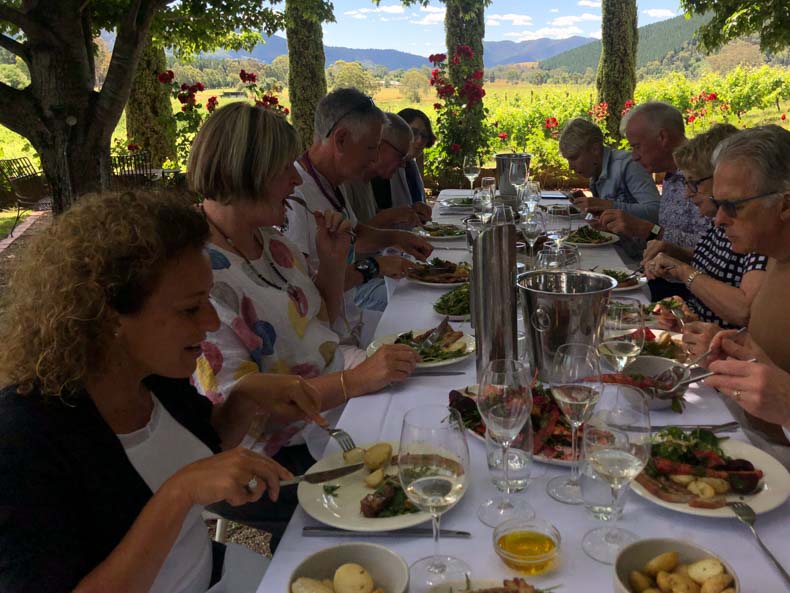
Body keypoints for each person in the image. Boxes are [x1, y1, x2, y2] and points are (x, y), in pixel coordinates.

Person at [0, 190, 325, 593]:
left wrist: (245, 397)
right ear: (108, 316)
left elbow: (200, 447)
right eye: (190, 309)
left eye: (207, 300)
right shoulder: (24, 440)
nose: (209, 322)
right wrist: (178, 494)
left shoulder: (155, 377)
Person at [187, 102, 420, 544]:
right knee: (401, 507)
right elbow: (243, 414)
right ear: (247, 171)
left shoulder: (271, 242)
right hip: (277, 457)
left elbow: (321, 330)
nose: (296, 180)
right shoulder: (199, 275)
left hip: (335, 410)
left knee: (435, 432)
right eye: (284, 170)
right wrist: (356, 381)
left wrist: (332, 268)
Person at [284, 88, 433, 337]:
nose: (375, 158)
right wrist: (374, 266)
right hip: (326, 345)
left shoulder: (333, 182)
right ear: (340, 140)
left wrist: (398, 239)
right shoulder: (296, 195)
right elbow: (301, 292)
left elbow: (355, 233)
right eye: (371, 148)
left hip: (348, 329)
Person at [697, 125, 790, 443]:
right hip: (746, 440)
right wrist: (737, 346)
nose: (719, 219)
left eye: (733, 206)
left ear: (785, 205)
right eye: (717, 204)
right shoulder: (775, 254)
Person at [642, 123, 767, 341]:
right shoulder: (720, 219)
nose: (687, 194)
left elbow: (743, 310)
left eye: (693, 183)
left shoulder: (755, 228)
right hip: (697, 337)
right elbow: (718, 265)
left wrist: (684, 272)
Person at [597, 102, 710, 298]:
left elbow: (713, 247)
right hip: (663, 279)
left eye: (637, 146)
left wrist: (649, 230)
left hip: (693, 292)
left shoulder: (703, 178)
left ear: (663, 137)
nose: (634, 157)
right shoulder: (670, 175)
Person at [559, 117, 660, 221]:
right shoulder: (596, 170)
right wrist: (594, 210)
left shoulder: (628, 165)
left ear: (595, 149)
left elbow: (656, 211)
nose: (571, 167)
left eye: (574, 158)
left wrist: (607, 205)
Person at [344, 112, 431, 229]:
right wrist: (389, 216)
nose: (403, 165)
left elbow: (369, 218)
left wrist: (409, 211)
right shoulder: (347, 182)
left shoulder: (366, 179)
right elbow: (349, 241)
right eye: (400, 156)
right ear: (379, 144)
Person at [398, 107, 436, 202]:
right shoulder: (384, 170)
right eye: (413, 132)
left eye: (424, 136)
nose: (419, 141)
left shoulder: (411, 165)